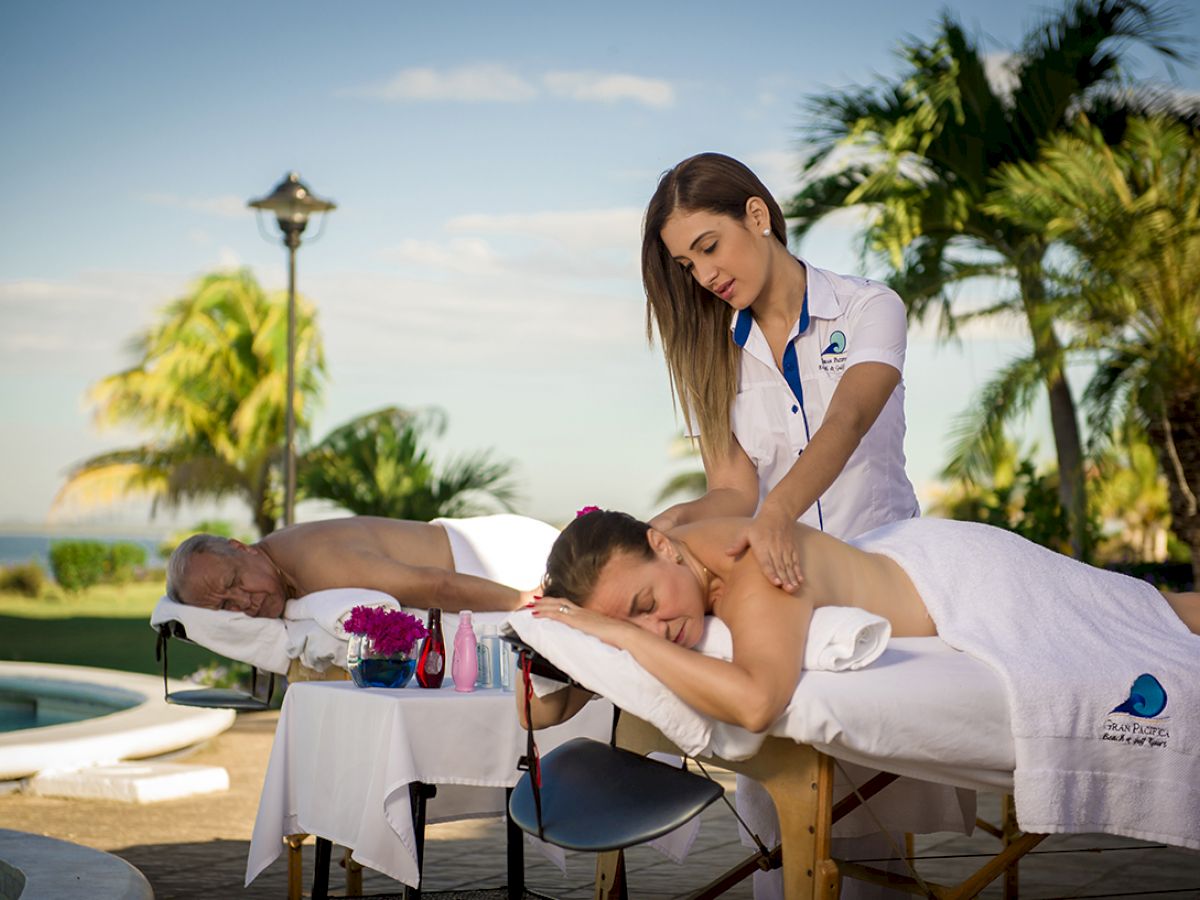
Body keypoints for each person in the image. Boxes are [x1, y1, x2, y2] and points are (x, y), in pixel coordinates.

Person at [523, 509, 1200, 730]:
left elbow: (758, 702)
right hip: (913, 555)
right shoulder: (667, 553)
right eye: (632, 626)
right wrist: (576, 668)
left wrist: (615, 635)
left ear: (662, 547)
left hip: (976, 581)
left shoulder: (753, 567)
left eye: (646, 606)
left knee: (1158, 618)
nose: (655, 630)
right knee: (1155, 614)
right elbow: (542, 715)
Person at [642, 152, 919, 591]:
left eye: (709, 247)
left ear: (757, 216)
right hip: (793, 582)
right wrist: (673, 520)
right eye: (688, 266)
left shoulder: (869, 308)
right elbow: (734, 493)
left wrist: (776, 515)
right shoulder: (708, 357)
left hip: (893, 569)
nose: (706, 275)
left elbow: (847, 421)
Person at [166, 515, 550, 618]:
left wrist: (523, 599)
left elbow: (436, 586)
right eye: (225, 607)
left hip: (504, 562)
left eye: (235, 582)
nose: (244, 603)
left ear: (242, 548)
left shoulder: (318, 564)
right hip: (480, 559)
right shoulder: (281, 565)